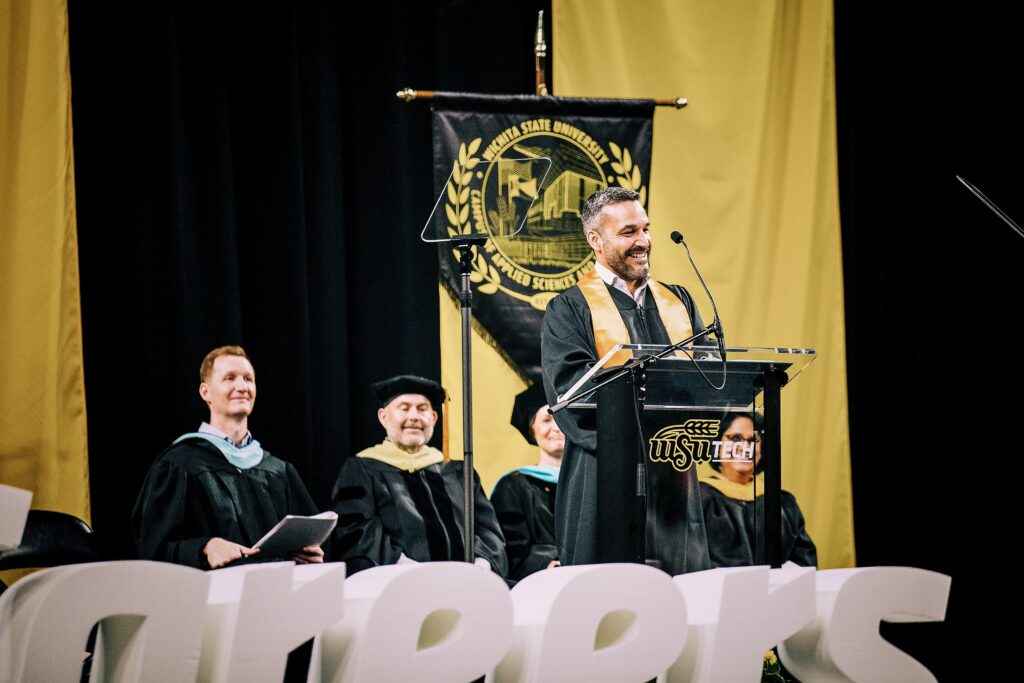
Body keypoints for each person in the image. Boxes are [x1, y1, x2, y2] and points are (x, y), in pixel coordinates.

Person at [540, 186, 713, 575]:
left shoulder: (678, 302)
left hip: (674, 480)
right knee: (605, 611)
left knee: (680, 604)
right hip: (602, 478)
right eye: (629, 232)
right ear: (595, 241)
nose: (644, 242)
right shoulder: (570, 309)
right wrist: (646, 431)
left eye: (645, 229)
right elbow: (572, 394)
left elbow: (712, 380)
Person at [131, 345, 324, 570]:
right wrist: (204, 547)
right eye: (229, 378)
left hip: (276, 598)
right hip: (209, 599)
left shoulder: (277, 470)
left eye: (248, 379)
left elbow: (311, 543)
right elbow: (154, 551)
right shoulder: (180, 465)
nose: (241, 387)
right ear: (205, 392)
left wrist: (309, 556)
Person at [331, 374, 507, 576]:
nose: (414, 416)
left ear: (433, 418)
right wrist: (409, 570)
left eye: (422, 409)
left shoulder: (459, 472)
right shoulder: (362, 469)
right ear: (383, 416)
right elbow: (356, 531)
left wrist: (481, 565)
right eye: (404, 408)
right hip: (395, 585)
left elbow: (488, 529)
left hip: (467, 584)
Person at [700, 412, 817, 567]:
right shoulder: (699, 500)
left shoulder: (782, 503)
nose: (745, 447)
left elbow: (805, 561)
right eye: (736, 438)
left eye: (753, 440)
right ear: (717, 443)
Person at [490, 383, 563, 581]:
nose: (556, 428)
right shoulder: (512, 486)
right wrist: (543, 564)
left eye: (562, 419)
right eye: (547, 420)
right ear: (533, 429)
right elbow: (509, 548)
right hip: (538, 584)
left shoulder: (594, 484)